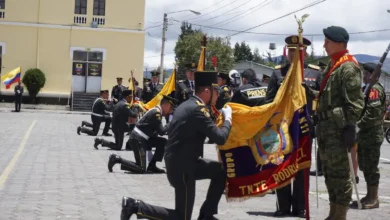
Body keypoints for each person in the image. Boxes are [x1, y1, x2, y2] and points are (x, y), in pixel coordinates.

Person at [120, 71, 233, 220]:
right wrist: (228, 119)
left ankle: (206, 215)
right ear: (207, 91)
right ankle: (135, 206)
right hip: (182, 168)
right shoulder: (198, 110)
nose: (218, 95)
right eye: (216, 91)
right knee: (182, 217)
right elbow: (220, 138)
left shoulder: (189, 105)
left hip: (185, 162)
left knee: (220, 171)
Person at [305, 26, 364, 219]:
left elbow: (355, 102)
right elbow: (329, 99)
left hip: (338, 132)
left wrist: (350, 127)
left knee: (340, 176)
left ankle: (339, 216)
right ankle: (333, 214)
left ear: (339, 43)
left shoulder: (348, 67)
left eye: (327, 42)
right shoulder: (334, 65)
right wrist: (308, 92)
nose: (324, 45)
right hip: (326, 131)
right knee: (330, 175)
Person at [266, 35, 321, 217]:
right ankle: (282, 206)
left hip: (305, 128)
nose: (293, 54)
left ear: (304, 52)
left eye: (297, 51)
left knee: (302, 167)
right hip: (282, 128)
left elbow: (320, 100)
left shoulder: (314, 73)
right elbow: (269, 101)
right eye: (290, 51)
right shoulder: (277, 73)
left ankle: (299, 206)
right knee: (281, 165)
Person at [107, 95, 178, 174]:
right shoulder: (156, 113)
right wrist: (171, 123)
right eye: (171, 108)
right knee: (141, 168)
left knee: (162, 142)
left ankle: (152, 166)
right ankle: (116, 159)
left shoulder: (157, 112)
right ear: (166, 105)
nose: (171, 111)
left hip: (144, 139)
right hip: (138, 139)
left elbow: (155, 133)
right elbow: (161, 131)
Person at [352, 62, 385, 209]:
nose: (364, 75)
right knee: (365, 165)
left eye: (367, 73)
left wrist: (358, 125)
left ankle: (374, 198)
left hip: (372, 134)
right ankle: (369, 195)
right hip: (365, 135)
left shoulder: (375, 90)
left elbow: (372, 114)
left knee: (371, 166)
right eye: (364, 73)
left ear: (374, 75)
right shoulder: (367, 89)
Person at [310, 61, 328, 176]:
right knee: (321, 145)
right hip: (320, 118)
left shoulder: (326, 83)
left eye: (322, 70)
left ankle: (322, 169)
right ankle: (320, 168)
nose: (320, 72)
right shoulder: (322, 81)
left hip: (326, 119)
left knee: (324, 145)